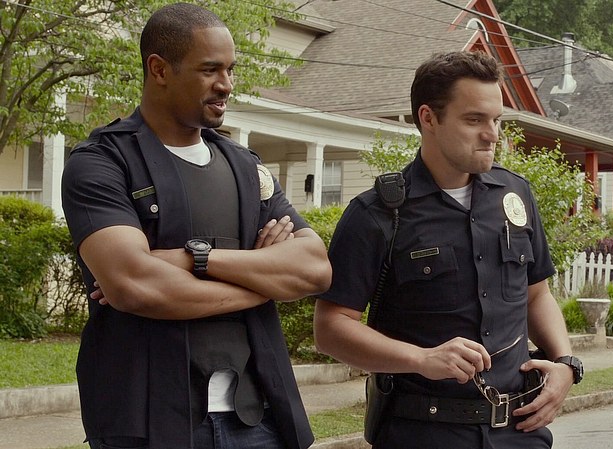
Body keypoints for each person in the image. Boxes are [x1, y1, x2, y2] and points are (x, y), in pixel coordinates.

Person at [61, 3, 331, 448]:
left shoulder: (245, 168)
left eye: (230, 70)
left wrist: (194, 260)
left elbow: (314, 269)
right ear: (159, 69)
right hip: (148, 422)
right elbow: (135, 286)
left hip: (258, 420)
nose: (226, 84)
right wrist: (264, 282)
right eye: (209, 70)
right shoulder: (102, 163)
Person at [314, 50, 583, 449]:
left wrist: (565, 364)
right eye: (474, 120)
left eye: (496, 120)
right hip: (422, 433)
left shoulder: (515, 195)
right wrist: (420, 359)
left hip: (520, 432)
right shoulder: (377, 214)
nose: (492, 134)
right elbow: (331, 328)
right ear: (429, 118)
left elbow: (536, 295)